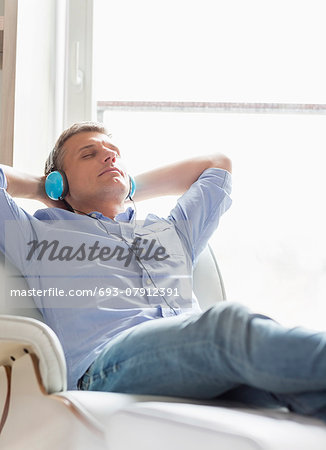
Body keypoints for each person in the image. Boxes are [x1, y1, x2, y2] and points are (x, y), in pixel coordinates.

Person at [1, 121, 326, 423]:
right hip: (106, 367)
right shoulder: (37, 234)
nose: (108, 159)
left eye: (114, 155)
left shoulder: (172, 232)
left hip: (193, 358)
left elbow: (218, 165)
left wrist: (127, 185)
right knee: (228, 327)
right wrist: (45, 189)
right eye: (90, 154)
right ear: (60, 182)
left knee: (296, 394)